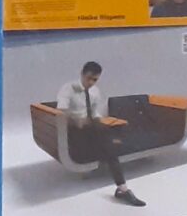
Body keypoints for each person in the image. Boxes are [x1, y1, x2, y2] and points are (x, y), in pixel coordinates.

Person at [55, 59, 144, 206]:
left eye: (95, 79)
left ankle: (122, 188)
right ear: (82, 74)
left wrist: (100, 123)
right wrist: (75, 120)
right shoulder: (68, 89)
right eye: (89, 78)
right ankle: (122, 189)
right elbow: (61, 112)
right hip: (75, 129)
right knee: (109, 146)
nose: (91, 82)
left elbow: (95, 112)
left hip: (91, 127)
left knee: (111, 140)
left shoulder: (95, 91)